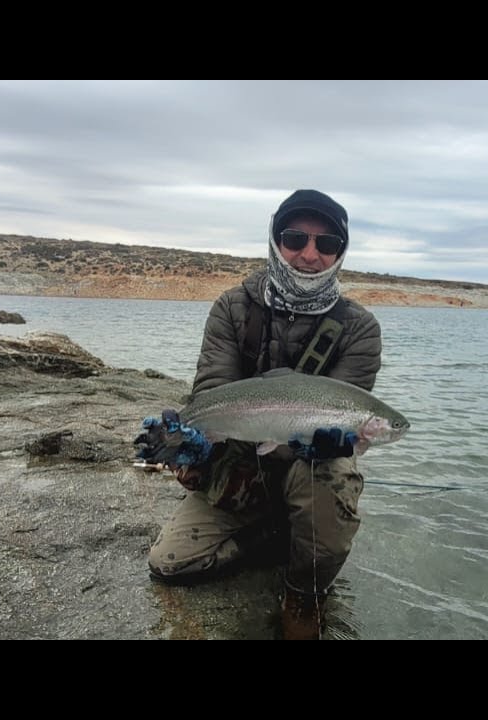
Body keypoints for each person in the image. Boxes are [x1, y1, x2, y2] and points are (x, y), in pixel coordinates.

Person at [136, 189, 382, 640]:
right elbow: (211, 388)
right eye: (295, 239)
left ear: (340, 254)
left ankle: (303, 596)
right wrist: (188, 438)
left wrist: (336, 440)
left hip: (309, 467)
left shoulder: (359, 328)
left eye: (327, 245)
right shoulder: (233, 307)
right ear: (275, 240)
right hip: (238, 461)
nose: (310, 255)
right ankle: (270, 537)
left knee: (330, 470)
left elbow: (350, 400)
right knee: (169, 565)